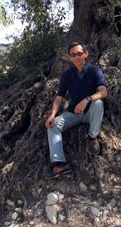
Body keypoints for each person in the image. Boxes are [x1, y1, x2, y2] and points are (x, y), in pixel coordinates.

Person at [44, 42, 108, 178]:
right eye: (73, 55)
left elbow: (103, 92)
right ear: (70, 57)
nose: (77, 57)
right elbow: (59, 97)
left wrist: (87, 100)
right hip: (73, 113)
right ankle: (60, 165)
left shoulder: (94, 71)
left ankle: (92, 137)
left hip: (91, 112)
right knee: (53, 126)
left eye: (79, 53)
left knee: (98, 103)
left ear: (86, 54)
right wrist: (52, 115)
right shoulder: (67, 75)